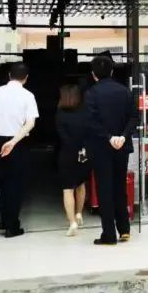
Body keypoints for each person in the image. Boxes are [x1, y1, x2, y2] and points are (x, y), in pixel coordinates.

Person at [84, 54, 139, 246]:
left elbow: (90, 122)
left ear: (93, 74)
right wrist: (122, 136)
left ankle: (109, 234)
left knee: (104, 189)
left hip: (101, 148)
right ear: (112, 71)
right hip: (121, 147)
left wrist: (109, 137)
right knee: (119, 187)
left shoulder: (91, 93)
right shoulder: (125, 91)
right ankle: (124, 230)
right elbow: (134, 117)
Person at [0, 63, 38, 238]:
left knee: (4, 180)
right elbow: (30, 123)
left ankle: (3, 220)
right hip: (18, 141)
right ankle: (11, 226)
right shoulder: (28, 95)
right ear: (26, 78)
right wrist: (13, 142)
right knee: (17, 183)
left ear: (8, 75)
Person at [56, 83, 91, 237]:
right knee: (81, 185)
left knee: (67, 189)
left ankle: (72, 222)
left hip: (67, 154)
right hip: (83, 153)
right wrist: (82, 148)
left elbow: (61, 136)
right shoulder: (85, 111)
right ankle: (79, 213)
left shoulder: (60, 113)